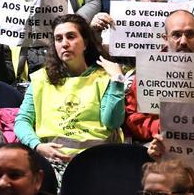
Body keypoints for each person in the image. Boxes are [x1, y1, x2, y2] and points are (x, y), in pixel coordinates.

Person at [14, 14, 125, 181]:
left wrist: (117, 81)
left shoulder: (105, 77)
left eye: (71, 37)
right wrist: (37, 145)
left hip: (98, 160)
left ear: (85, 43)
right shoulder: (40, 79)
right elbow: (22, 121)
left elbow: (112, 122)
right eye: (58, 39)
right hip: (52, 160)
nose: (64, 43)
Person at [124, 10, 194, 143]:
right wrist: (166, 126)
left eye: (190, 34)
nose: (183, 41)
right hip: (161, 144)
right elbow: (134, 119)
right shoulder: (148, 72)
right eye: (176, 35)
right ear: (166, 39)